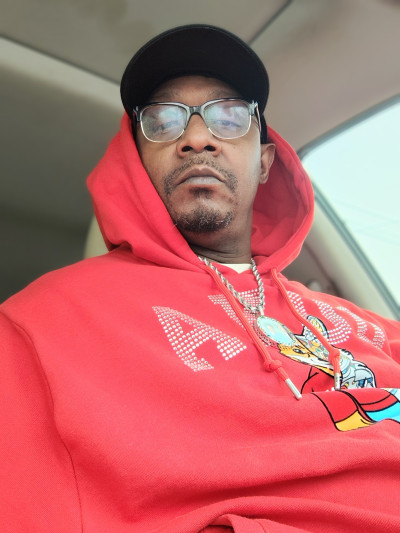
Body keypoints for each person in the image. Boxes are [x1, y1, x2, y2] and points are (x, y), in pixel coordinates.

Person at [1, 24, 400, 533]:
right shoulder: (45, 323)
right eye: (163, 121)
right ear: (136, 162)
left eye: (229, 117)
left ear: (264, 162)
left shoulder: (367, 325)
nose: (196, 138)